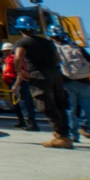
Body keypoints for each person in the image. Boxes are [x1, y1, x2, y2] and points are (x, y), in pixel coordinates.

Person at [12, 15, 72, 149]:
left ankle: (61, 136)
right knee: (60, 104)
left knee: (45, 104)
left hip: (39, 75)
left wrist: (19, 71)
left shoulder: (22, 43)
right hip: (55, 74)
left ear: (20, 29)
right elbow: (57, 59)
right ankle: (63, 134)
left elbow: (18, 57)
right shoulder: (48, 42)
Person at [46, 25, 90, 144]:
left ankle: (73, 135)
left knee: (70, 110)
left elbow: (54, 65)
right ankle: (87, 128)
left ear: (51, 36)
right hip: (84, 82)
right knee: (88, 108)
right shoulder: (76, 46)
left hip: (67, 83)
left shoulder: (53, 49)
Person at [0, 41, 39, 131]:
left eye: (7, 50)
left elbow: (20, 73)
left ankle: (31, 124)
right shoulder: (7, 60)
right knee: (17, 104)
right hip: (12, 83)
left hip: (18, 82)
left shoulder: (16, 59)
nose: (5, 52)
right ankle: (22, 122)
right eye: (4, 51)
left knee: (24, 103)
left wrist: (16, 85)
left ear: (12, 50)